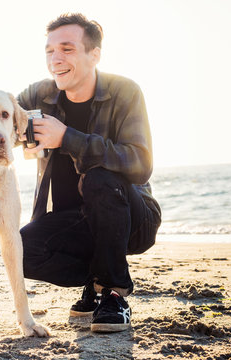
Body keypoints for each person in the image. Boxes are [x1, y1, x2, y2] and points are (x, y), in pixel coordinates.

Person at [16, 13, 161, 333]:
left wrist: (66, 138)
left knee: (99, 178)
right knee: (19, 251)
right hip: (74, 219)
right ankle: (97, 280)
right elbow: (0, 115)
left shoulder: (125, 92)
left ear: (94, 54)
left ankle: (114, 292)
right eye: (50, 51)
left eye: (67, 49)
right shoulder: (38, 95)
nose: (56, 59)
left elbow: (141, 163)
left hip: (133, 217)